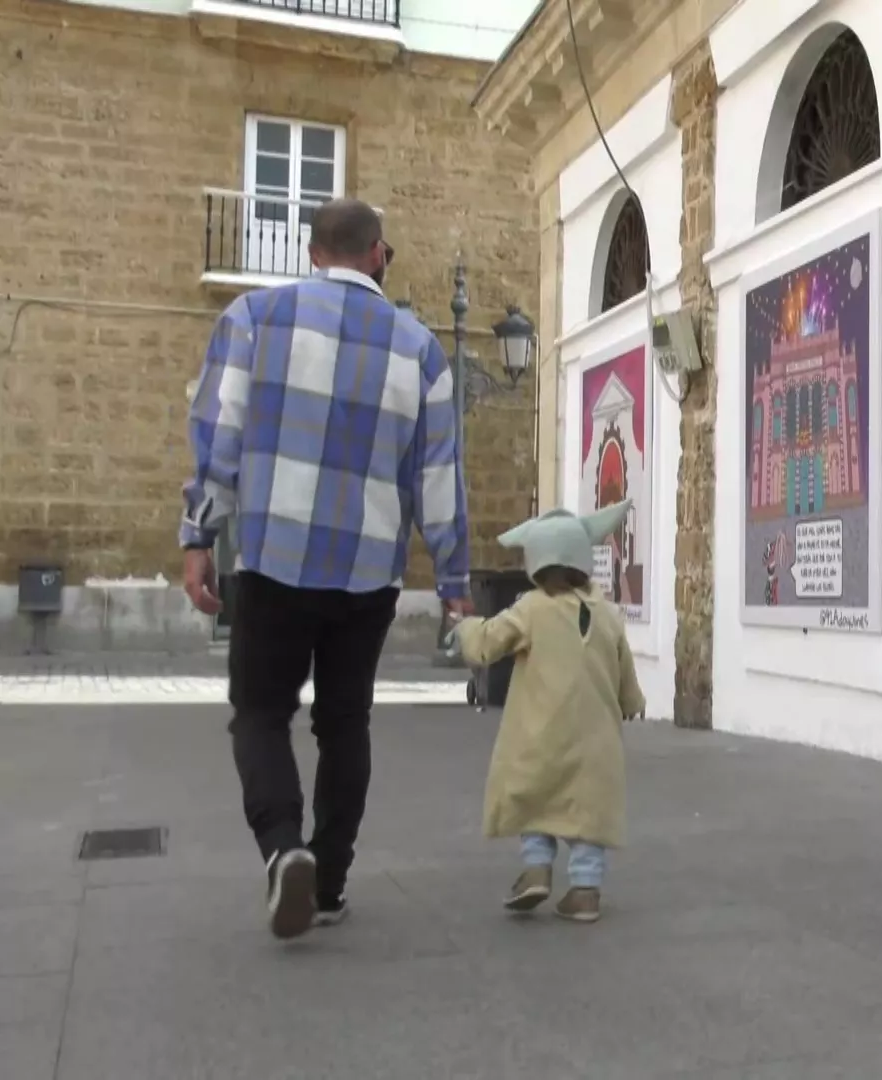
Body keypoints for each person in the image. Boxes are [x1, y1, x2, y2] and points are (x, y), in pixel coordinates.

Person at [178, 198, 472, 940]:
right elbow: (439, 479)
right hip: (367, 573)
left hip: (274, 560)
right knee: (345, 724)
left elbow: (220, 435)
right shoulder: (420, 351)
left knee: (260, 712)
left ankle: (283, 850)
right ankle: (331, 882)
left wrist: (198, 538)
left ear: (313, 253)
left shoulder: (252, 320)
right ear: (379, 254)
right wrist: (455, 582)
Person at [447, 502, 644, 924]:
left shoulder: (531, 609)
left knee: (534, 796)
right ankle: (585, 889)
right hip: (596, 744)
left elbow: (488, 643)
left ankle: (536, 868)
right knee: (588, 813)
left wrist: (464, 627)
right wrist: (632, 702)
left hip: (540, 735)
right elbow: (624, 668)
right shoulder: (609, 615)